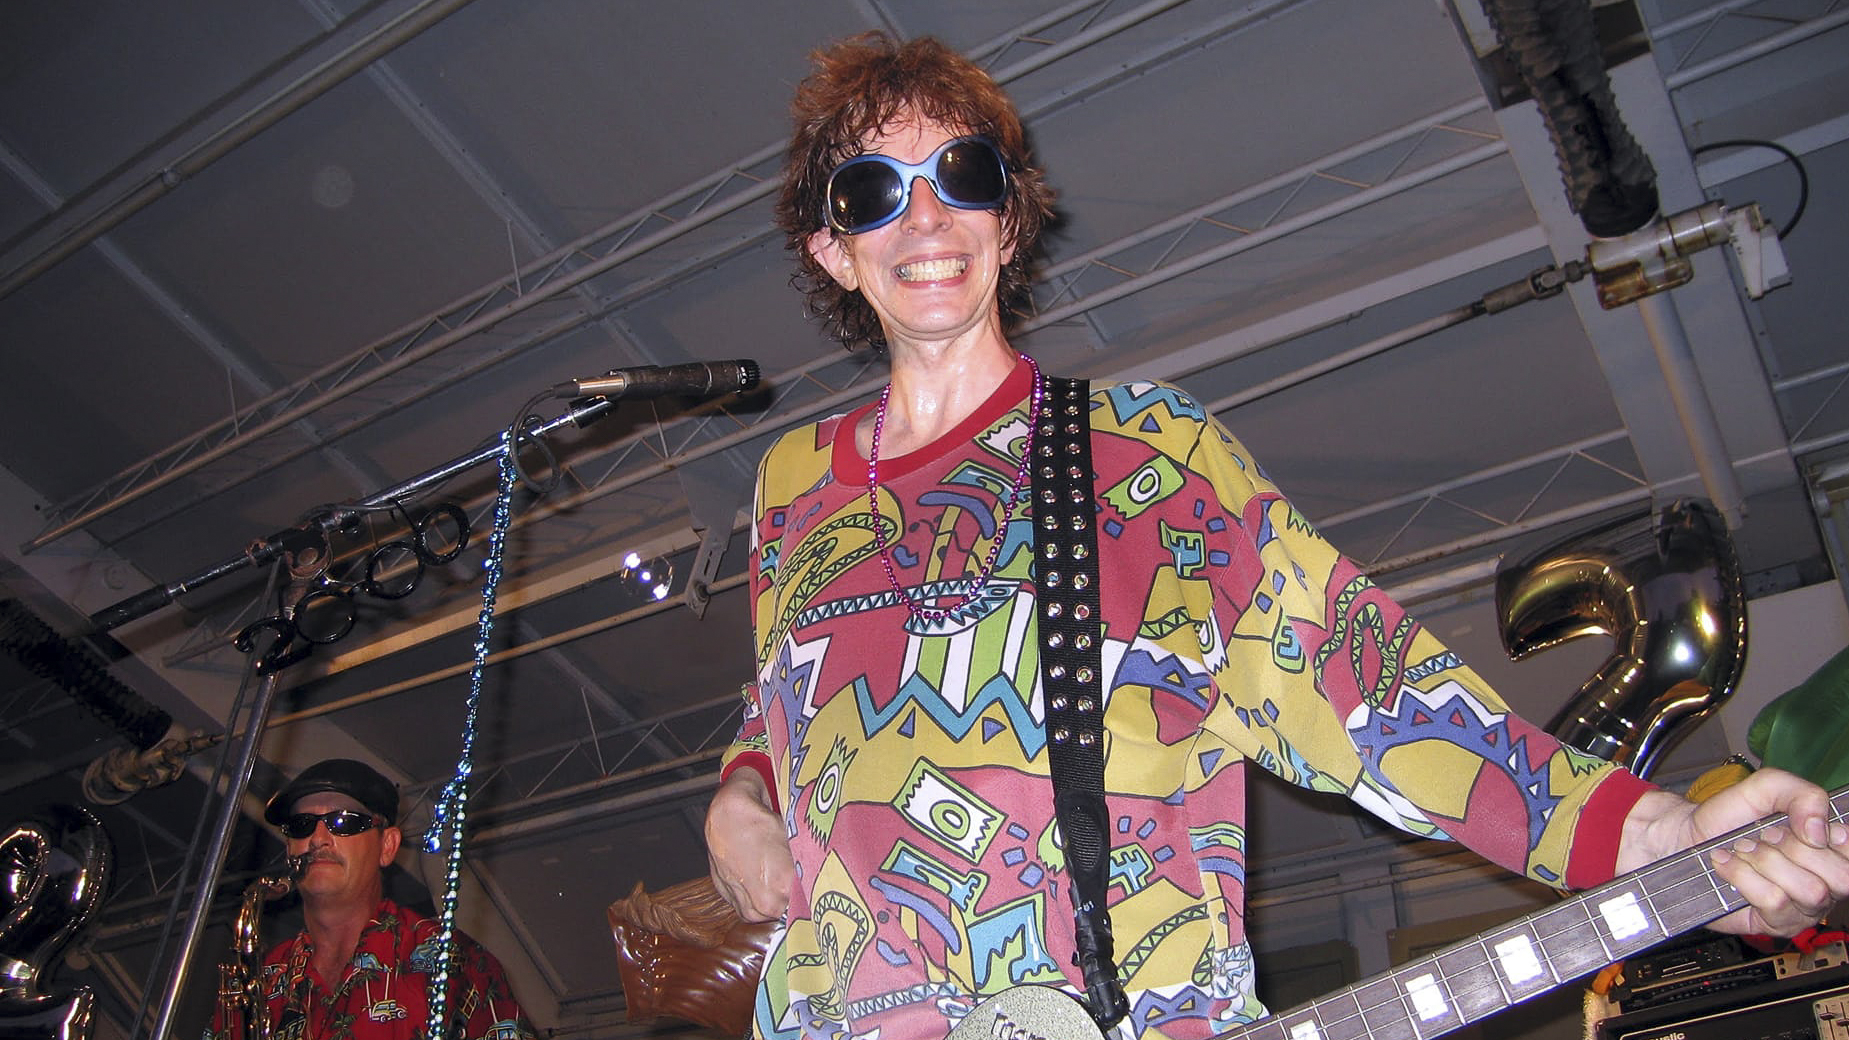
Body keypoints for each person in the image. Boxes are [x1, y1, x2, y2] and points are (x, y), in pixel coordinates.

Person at [703, 31, 1849, 1040]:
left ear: (1009, 219)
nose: (926, 218)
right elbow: (790, 699)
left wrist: (1652, 831)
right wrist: (741, 791)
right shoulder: (792, 484)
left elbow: (1361, 680)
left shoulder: (1141, 456)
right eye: (872, 191)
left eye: (961, 173)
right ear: (830, 250)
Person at [208, 758, 533, 1040]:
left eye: (344, 822)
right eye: (301, 825)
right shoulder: (262, 978)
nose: (318, 839)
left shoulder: (450, 959)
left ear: (387, 846)